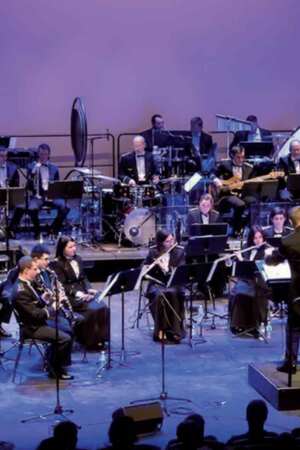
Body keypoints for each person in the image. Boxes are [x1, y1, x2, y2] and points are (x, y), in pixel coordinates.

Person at [13, 256, 73, 380]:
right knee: (64, 339)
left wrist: (43, 299)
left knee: (67, 329)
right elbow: (35, 314)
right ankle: (56, 371)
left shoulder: (27, 284)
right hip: (31, 328)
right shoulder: (20, 290)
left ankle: (53, 363)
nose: (38, 271)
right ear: (26, 270)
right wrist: (53, 308)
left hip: (37, 322)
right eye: (35, 269)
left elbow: (32, 307)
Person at [50, 236, 110, 350]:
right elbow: (62, 285)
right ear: (62, 248)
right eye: (70, 247)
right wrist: (79, 294)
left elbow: (83, 278)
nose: (74, 249)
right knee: (92, 310)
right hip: (69, 296)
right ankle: (89, 341)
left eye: (74, 246)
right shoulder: (57, 264)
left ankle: (101, 339)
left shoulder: (78, 259)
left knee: (103, 307)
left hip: (82, 292)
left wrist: (89, 288)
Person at [266, 206, 300, 373]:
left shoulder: (288, 241)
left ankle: (291, 362)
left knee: (294, 325)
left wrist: (268, 255)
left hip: (297, 290)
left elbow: (273, 261)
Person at [10, 143, 69, 239]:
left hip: (51, 196)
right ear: (38, 154)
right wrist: (33, 172)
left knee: (65, 207)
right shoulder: (31, 166)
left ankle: (53, 229)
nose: (43, 156)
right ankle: (37, 232)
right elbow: (28, 186)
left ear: (49, 154)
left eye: (45, 154)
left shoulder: (54, 167)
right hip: (38, 197)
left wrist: (54, 193)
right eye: (41, 154)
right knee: (32, 208)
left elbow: (58, 183)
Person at [144, 229, 185, 343]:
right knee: (159, 296)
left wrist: (166, 269)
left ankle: (175, 330)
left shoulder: (179, 251)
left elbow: (181, 272)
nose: (171, 243)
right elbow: (144, 269)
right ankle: (161, 330)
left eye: (172, 240)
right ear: (161, 242)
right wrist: (153, 267)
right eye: (167, 241)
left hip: (174, 283)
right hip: (157, 283)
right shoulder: (153, 251)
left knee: (172, 293)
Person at [229, 226, 269, 337]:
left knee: (243, 293)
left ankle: (252, 325)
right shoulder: (247, 247)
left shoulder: (266, 250)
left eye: (260, 237)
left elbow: (256, 267)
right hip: (247, 280)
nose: (258, 240)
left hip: (260, 282)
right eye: (255, 238)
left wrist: (242, 259)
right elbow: (239, 267)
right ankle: (238, 324)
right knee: (236, 292)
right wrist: (234, 259)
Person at [214, 146, 255, 235]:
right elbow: (211, 174)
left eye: (243, 157)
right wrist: (217, 181)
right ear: (232, 156)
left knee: (254, 202)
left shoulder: (248, 167)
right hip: (227, 194)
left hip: (242, 194)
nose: (241, 160)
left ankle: (247, 228)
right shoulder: (224, 165)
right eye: (238, 157)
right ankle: (236, 229)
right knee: (240, 204)